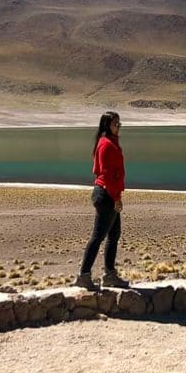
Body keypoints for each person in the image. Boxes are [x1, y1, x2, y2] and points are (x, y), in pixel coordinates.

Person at [75, 111, 129, 290]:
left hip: (107, 194)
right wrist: (116, 198)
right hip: (106, 195)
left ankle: (109, 275)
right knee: (98, 236)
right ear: (107, 125)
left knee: (113, 235)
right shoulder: (106, 145)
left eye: (119, 124)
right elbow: (106, 175)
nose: (118, 126)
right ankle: (84, 275)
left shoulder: (108, 142)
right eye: (115, 124)